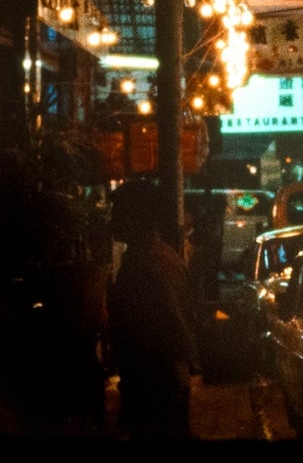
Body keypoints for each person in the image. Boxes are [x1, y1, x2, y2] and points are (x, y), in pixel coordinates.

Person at [106, 180, 196, 439]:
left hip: (153, 380)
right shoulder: (164, 257)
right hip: (165, 377)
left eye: (119, 212)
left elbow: (145, 331)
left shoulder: (142, 264)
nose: (113, 221)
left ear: (136, 217)